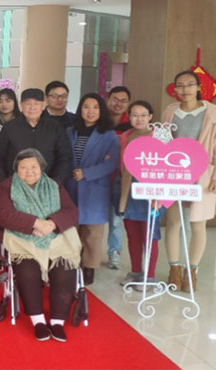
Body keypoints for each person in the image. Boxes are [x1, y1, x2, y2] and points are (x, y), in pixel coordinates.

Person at [0, 148, 81, 342]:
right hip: (22, 239)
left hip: (56, 237)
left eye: (34, 167)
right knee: (28, 270)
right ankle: (38, 321)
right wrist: (35, 223)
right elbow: (2, 214)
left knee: (64, 268)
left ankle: (57, 322)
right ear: (16, 169)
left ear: (41, 167)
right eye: (23, 167)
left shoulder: (54, 185)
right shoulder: (6, 188)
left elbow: (72, 211)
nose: (29, 171)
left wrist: (51, 223)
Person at [161, 70, 216, 291]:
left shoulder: (214, 113)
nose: (185, 90)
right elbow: (162, 142)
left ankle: (191, 272)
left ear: (199, 87)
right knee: (173, 222)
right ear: (175, 88)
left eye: (190, 84)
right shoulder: (170, 112)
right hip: (174, 175)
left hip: (202, 175)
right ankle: (174, 270)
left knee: (198, 224)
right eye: (180, 85)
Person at [65, 93, 119, 285]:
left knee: (93, 233)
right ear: (80, 109)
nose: (90, 111)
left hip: (95, 188)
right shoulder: (70, 132)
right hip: (71, 185)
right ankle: (71, 265)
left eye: (95, 107)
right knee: (71, 230)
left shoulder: (109, 135)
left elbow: (112, 162)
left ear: (101, 111)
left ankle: (89, 269)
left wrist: (87, 173)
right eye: (86, 107)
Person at [117, 101, 161, 286]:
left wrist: (159, 196)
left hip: (151, 194)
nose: (139, 119)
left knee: (149, 235)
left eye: (143, 115)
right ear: (129, 117)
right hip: (128, 192)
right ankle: (135, 272)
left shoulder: (159, 137)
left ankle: (149, 276)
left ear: (151, 116)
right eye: (135, 115)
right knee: (133, 235)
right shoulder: (125, 136)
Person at [0, 88, 73, 185]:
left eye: (36, 104)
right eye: (28, 104)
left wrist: (56, 182)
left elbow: (64, 156)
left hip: (48, 184)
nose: (32, 108)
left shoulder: (54, 127)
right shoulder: (10, 127)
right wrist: (3, 183)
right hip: (15, 185)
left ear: (43, 105)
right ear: (21, 105)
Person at [105, 85, 132, 269]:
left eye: (123, 101)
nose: (118, 104)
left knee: (116, 220)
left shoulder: (131, 125)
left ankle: (114, 252)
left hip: (120, 178)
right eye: (115, 99)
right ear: (108, 99)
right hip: (98, 177)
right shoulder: (98, 120)